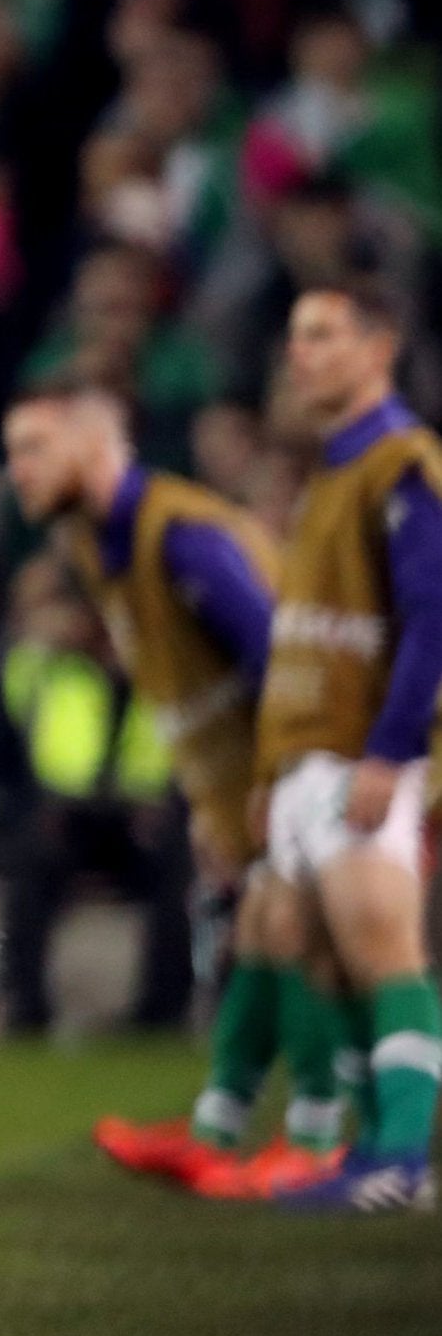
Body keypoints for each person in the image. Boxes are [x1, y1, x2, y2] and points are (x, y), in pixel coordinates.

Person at [4, 379, 345, 1198]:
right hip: (253, 777)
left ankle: (325, 1139)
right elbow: (182, 681)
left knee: (317, 936)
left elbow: (277, 655)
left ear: (93, 446)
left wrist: (275, 780)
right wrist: (206, 795)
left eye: (33, 448)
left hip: (319, 756)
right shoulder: (97, 542)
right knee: (267, 931)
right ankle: (219, 1130)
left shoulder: (182, 535)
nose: (16, 470)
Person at [254, 284, 442, 1212]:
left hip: (363, 753)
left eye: (324, 335)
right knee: (324, 958)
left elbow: (434, 613)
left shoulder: (402, 462)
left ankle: (403, 1159)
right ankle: (374, 1153)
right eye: (295, 338)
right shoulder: (334, 472)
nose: (303, 354)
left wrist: (390, 750)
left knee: (382, 944)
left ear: (381, 347)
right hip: (311, 753)